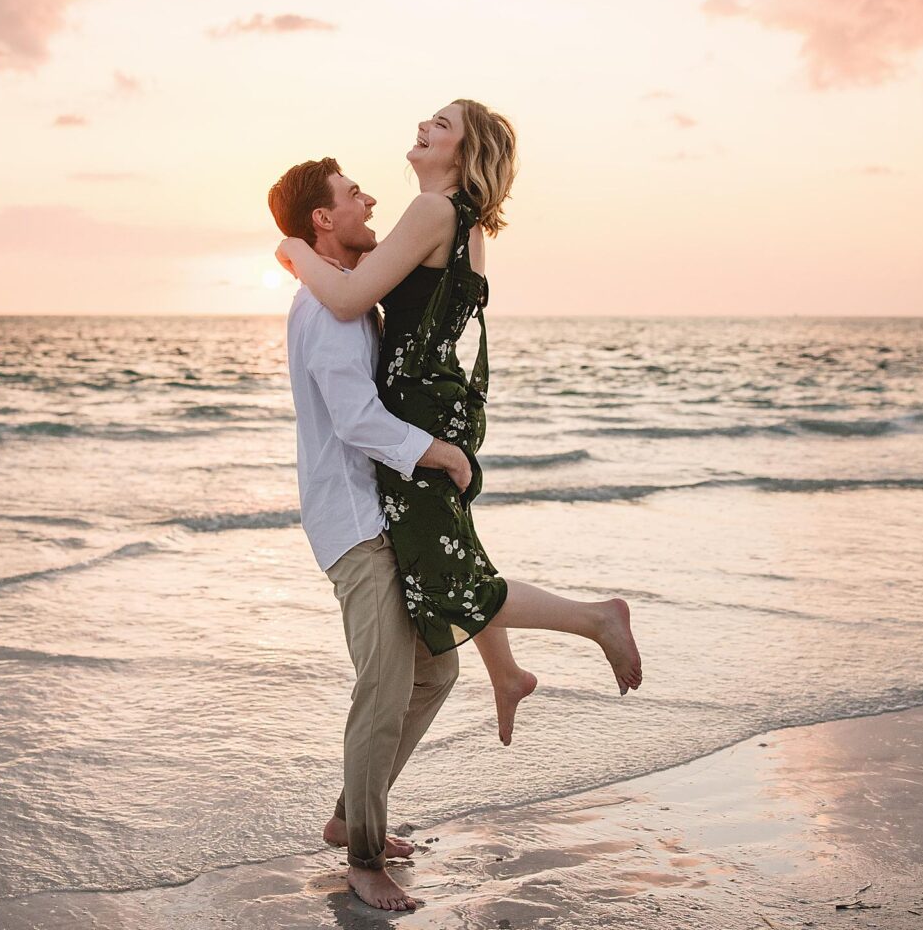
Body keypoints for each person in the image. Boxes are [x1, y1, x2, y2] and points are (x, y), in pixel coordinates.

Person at [275, 101, 644, 752]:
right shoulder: (466, 225)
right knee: (449, 549)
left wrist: (294, 248)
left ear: (464, 153)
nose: (425, 126)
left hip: (416, 410)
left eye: (442, 125)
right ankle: (505, 673)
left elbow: (347, 297)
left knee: (449, 574)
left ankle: (596, 620)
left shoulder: (430, 212)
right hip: (441, 402)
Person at [271, 157, 475, 911]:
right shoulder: (325, 312)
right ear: (323, 220)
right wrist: (440, 452)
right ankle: (361, 857)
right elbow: (356, 421)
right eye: (353, 197)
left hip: (377, 513)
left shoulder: (344, 300)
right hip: (354, 524)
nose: (369, 204)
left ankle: (351, 814)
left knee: (435, 673)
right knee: (385, 686)